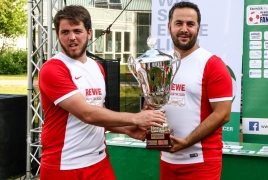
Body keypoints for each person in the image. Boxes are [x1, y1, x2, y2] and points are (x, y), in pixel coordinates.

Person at [38, 5, 166, 180]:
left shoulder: (97, 67)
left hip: (99, 161)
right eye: (65, 32)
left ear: (89, 33)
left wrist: (127, 129)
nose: (72, 37)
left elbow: (100, 113)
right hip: (65, 165)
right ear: (58, 35)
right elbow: (86, 113)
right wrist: (135, 118)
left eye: (77, 31)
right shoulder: (53, 69)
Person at [160, 2, 233, 180]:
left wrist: (186, 142)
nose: (184, 29)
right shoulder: (161, 63)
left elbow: (223, 114)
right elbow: (156, 105)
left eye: (190, 24)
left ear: (198, 28)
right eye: (179, 23)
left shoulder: (212, 64)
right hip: (167, 159)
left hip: (201, 162)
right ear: (169, 27)